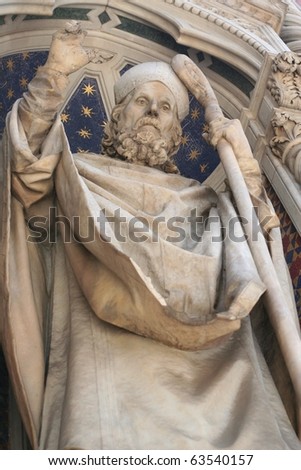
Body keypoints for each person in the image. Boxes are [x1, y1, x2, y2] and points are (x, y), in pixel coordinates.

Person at [0, 22, 300, 450]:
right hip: (105, 363)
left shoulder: (209, 201)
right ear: (117, 114)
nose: (153, 112)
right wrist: (54, 75)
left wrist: (244, 161)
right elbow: (22, 163)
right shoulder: (77, 173)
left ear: (179, 135)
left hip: (225, 372)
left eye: (165, 108)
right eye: (142, 101)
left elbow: (261, 243)